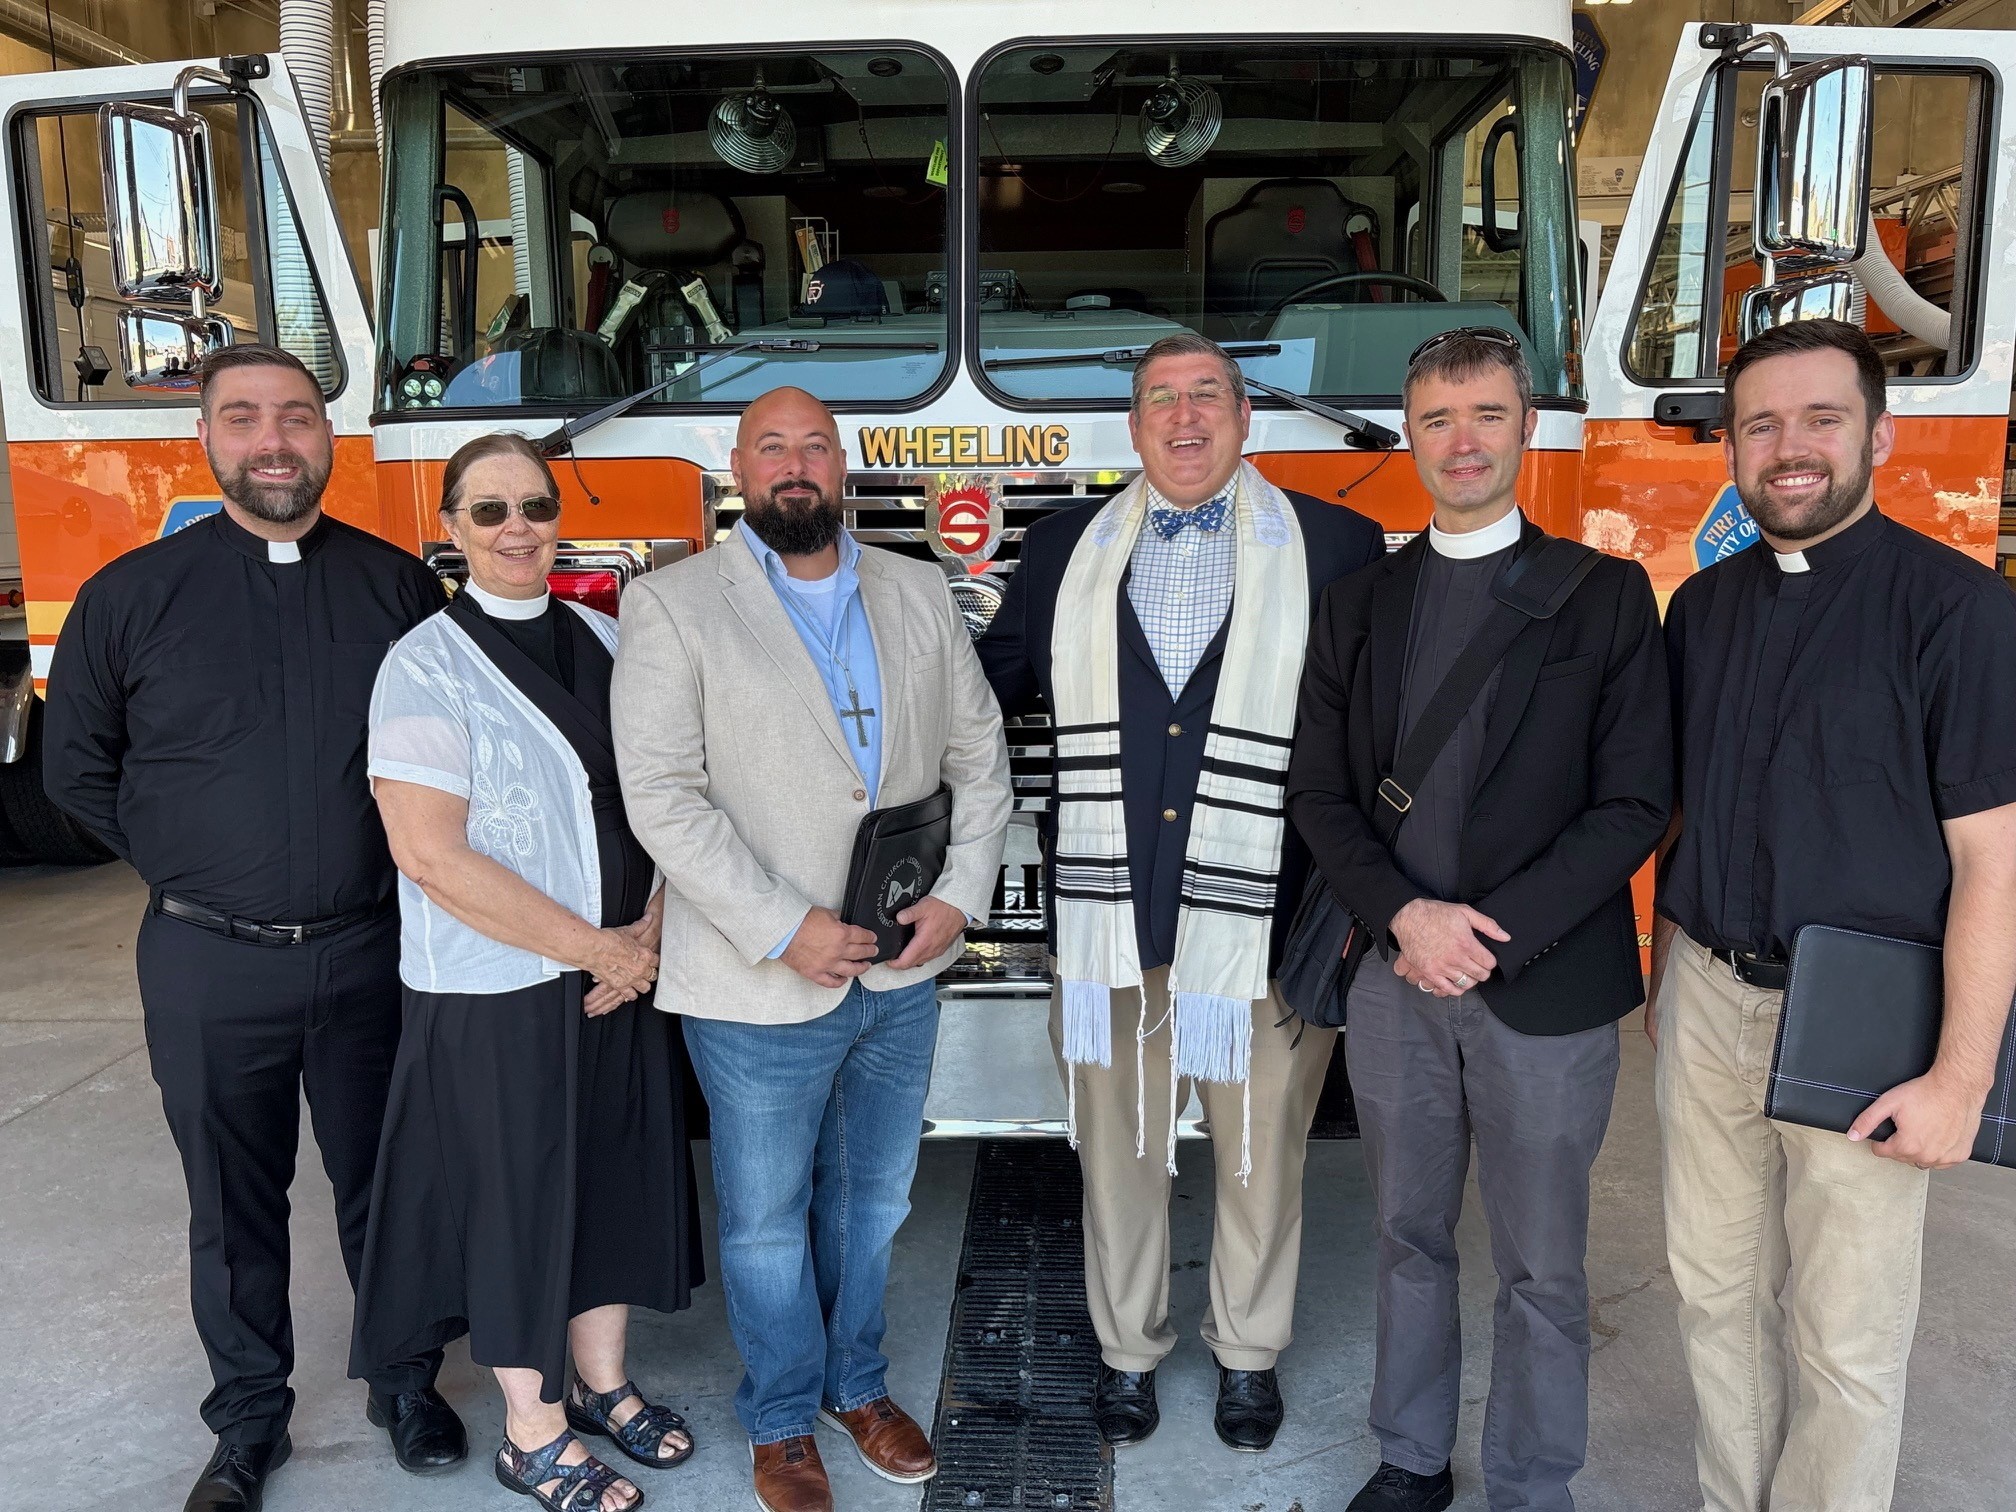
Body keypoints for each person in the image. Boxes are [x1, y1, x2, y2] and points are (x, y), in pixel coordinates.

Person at [40, 345, 466, 1512]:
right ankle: (246, 1420)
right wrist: (192, 860)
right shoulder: (130, 597)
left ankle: (404, 1382)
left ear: (330, 438)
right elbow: (76, 769)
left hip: (373, 949)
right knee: (231, 1206)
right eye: (243, 418)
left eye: (295, 417)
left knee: (392, 1180)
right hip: (205, 958)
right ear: (206, 439)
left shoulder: (397, 590)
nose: (272, 440)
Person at [978, 331, 1385, 1454]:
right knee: (1118, 1155)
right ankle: (1128, 1353)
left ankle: (1248, 1356)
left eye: (1208, 394)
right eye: (1162, 397)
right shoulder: (1062, 548)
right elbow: (980, 687)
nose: (1186, 415)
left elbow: (1378, 723)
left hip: (1268, 919)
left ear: (1245, 418)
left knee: (1261, 1152)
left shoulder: (1337, 545)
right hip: (1106, 923)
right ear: (1135, 425)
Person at [1286, 328, 1671, 1512]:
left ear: (1526, 427)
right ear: (1411, 436)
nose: (1464, 441)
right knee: (1407, 1235)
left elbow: (1634, 802)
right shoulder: (1359, 605)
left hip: (1545, 988)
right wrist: (1406, 918)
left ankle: (1531, 1481)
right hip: (1396, 978)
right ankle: (1411, 1458)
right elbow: (1320, 793)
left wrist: (1484, 933)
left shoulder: (1604, 596)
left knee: (1544, 1262)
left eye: (1488, 415)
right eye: (1439, 419)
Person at [611, 386, 1012, 1512]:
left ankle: (855, 1386)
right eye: (772, 447)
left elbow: (979, 758)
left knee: (875, 1203)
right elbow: (663, 795)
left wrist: (961, 895)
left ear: (844, 466)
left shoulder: (919, 589)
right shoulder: (672, 604)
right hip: (757, 981)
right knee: (764, 1223)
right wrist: (784, 927)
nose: (796, 464)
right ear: (739, 468)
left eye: (817, 447)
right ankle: (782, 1417)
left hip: (903, 970)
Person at [1651, 318, 2016, 1512]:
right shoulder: (1703, 610)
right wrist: (1667, 976)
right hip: (1707, 999)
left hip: (1867, 1026)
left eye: (1822, 419)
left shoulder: (1959, 612)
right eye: (1761, 425)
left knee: (1845, 1336)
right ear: (1732, 448)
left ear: (1880, 436)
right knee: (1712, 1296)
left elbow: (1995, 863)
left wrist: (1961, 1078)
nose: (1790, 448)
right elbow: (1686, 812)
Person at [352, 433, 705, 1512]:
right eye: (490, 510)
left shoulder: (609, 637)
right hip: (497, 989)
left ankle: (600, 1384)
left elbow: (671, 796)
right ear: (451, 529)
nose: (518, 529)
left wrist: (648, 932)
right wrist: (604, 949)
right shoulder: (422, 666)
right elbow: (429, 854)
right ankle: (531, 1429)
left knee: (607, 1180)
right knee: (513, 1203)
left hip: (622, 974)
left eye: (536, 507)